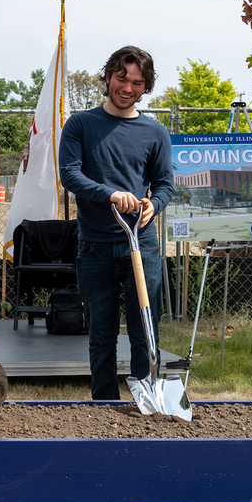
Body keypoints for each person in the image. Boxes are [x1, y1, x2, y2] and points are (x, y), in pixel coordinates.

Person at [58, 45, 173, 401]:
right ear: (108, 76)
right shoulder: (81, 124)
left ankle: (146, 397)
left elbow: (165, 184)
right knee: (102, 333)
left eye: (137, 82)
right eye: (122, 78)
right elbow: (69, 175)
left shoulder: (155, 133)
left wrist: (153, 205)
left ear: (145, 87)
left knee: (145, 328)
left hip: (143, 244)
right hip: (95, 245)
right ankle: (104, 403)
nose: (128, 87)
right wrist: (110, 194)